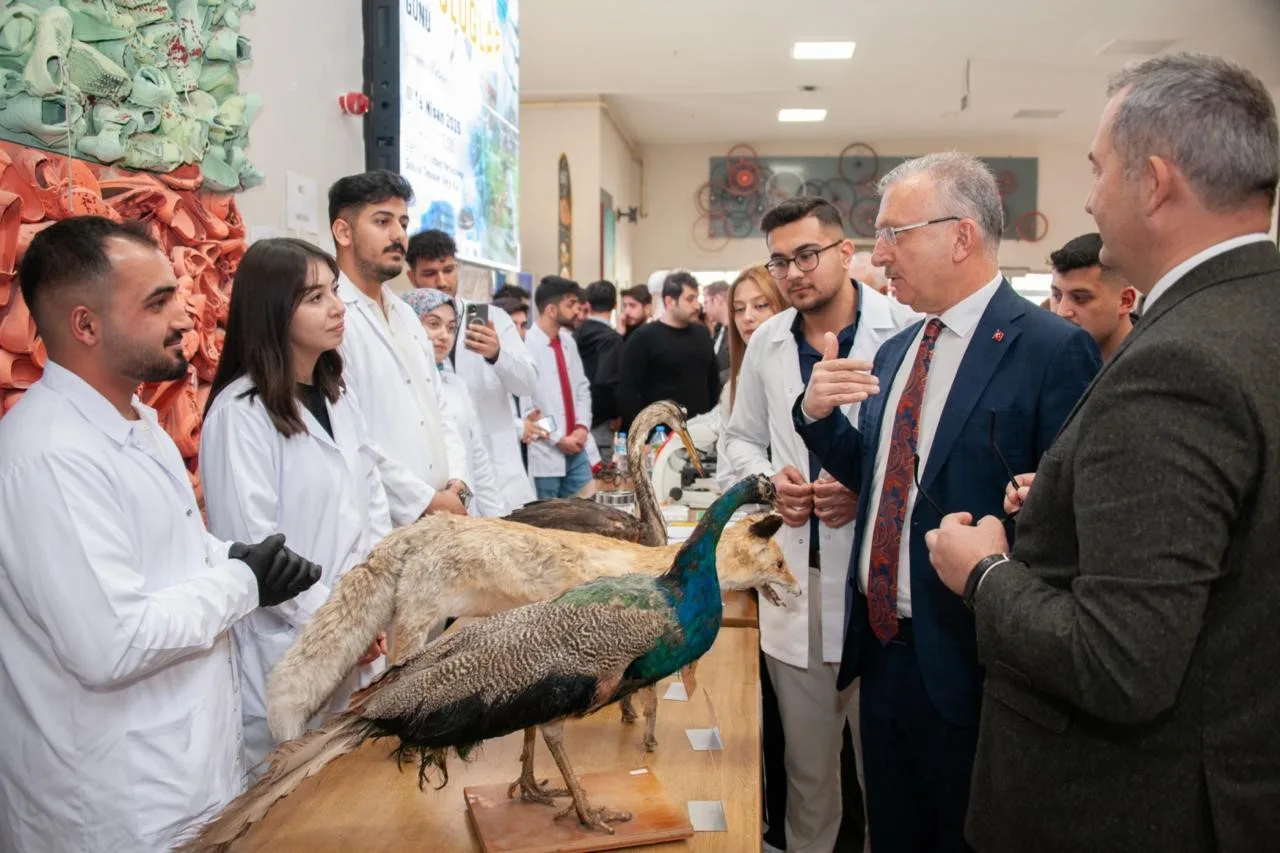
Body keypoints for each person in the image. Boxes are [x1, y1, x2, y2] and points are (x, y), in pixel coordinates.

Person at [925, 52, 1280, 853]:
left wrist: (985, 571)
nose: (1089, 196)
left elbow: (1120, 662)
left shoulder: (1176, 364)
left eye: (1098, 169)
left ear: (1153, 182)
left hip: (1125, 804)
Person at [793, 153, 1100, 853]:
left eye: (895, 233)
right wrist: (815, 417)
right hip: (882, 652)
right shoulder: (902, 347)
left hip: (975, 663)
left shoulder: (1053, 350)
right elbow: (884, 478)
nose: (879, 255)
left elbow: (1074, 524)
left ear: (961, 236)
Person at [0, 217, 320, 852]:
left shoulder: (137, 418)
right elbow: (111, 644)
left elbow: (169, 550)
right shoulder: (51, 455)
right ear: (85, 325)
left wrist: (231, 555)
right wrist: (242, 581)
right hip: (117, 803)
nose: (186, 314)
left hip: (182, 774)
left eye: (177, 292)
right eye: (158, 302)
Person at [723, 198, 918, 853]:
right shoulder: (771, 342)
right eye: (780, 260)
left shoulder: (907, 331)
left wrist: (868, 493)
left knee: (887, 779)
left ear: (845, 251)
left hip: (880, 593)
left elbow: (929, 456)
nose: (793, 272)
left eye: (807, 254)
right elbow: (739, 440)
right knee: (808, 780)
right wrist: (770, 483)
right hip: (795, 584)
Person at [199, 237, 397, 770]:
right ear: (271, 311)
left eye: (333, 291)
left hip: (360, 632)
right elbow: (260, 554)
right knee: (290, 805)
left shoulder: (337, 394)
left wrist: (370, 607)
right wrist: (341, 627)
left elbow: (371, 505)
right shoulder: (240, 414)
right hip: (289, 645)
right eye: (314, 298)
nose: (336, 307)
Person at [327, 172, 469, 521]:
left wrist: (457, 482)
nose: (398, 235)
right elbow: (352, 437)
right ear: (343, 232)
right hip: (384, 518)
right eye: (382, 221)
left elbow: (439, 407)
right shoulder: (332, 315)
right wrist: (425, 500)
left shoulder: (406, 314)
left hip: (444, 507)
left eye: (403, 222)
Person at [405, 229, 538, 513]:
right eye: (429, 273)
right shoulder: (405, 325)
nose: (441, 281)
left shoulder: (491, 318)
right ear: (411, 277)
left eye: (448, 270)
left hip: (501, 478)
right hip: (442, 487)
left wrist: (497, 355)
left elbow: (528, 384)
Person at [402, 287, 507, 517]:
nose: (443, 335)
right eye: (433, 324)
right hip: (417, 513)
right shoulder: (400, 385)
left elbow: (477, 458)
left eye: (451, 328)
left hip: (463, 507)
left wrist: (496, 520)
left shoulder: (455, 385)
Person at [617, 270, 720, 431]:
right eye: (690, 299)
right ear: (670, 301)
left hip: (700, 433)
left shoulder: (702, 333)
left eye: (697, 298)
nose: (697, 305)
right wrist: (642, 434)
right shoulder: (643, 338)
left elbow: (712, 382)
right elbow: (627, 391)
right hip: (659, 436)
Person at [521, 276, 593, 499]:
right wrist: (559, 438)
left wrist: (582, 427)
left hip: (578, 446)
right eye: (570, 305)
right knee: (549, 520)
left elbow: (581, 388)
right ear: (551, 310)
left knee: (588, 508)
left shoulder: (568, 342)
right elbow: (529, 408)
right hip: (546, 450)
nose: (577, 311)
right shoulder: (526, 345)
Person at [1047, 232, 1137, 360]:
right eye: (1057, 296)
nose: (1062, 312)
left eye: (1080, 298)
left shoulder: (1159, 365)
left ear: (1125, 301)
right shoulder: (1048, 362)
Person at [574, 280, 624, 464]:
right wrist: (613, 414)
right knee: (601, 480)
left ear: (587, 304)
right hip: (599, 423)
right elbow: (605, 382)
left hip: (575, 420)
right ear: (614, 305)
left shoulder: (574, 335)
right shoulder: (612, 340)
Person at [704, 278, 732, 383]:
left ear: (718, 299)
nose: (704, 309)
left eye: (706, 302)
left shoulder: (738, 331)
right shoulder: (719, 330)